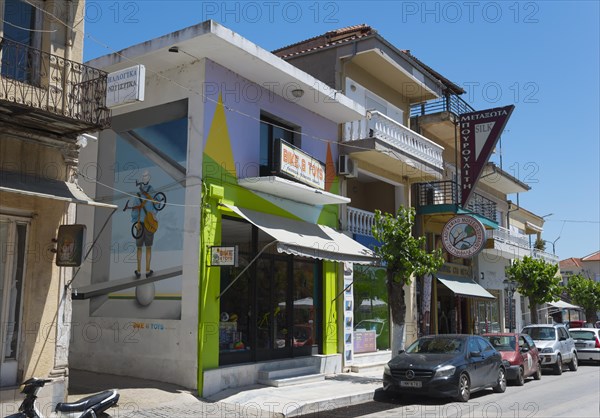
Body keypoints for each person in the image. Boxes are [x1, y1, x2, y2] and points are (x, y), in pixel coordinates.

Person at [131, 170, 158, 278]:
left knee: (143, 247)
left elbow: (134, 210)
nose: (145, 178)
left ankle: (142, 270)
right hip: (145, 223)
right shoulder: (150, 193)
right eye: (143, 176)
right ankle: (144, 270)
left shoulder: (145, 193)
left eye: (146, 176)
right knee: (145, 247)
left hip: (143, 224)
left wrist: (135, 222)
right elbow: (158, 204)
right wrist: (154, 214)